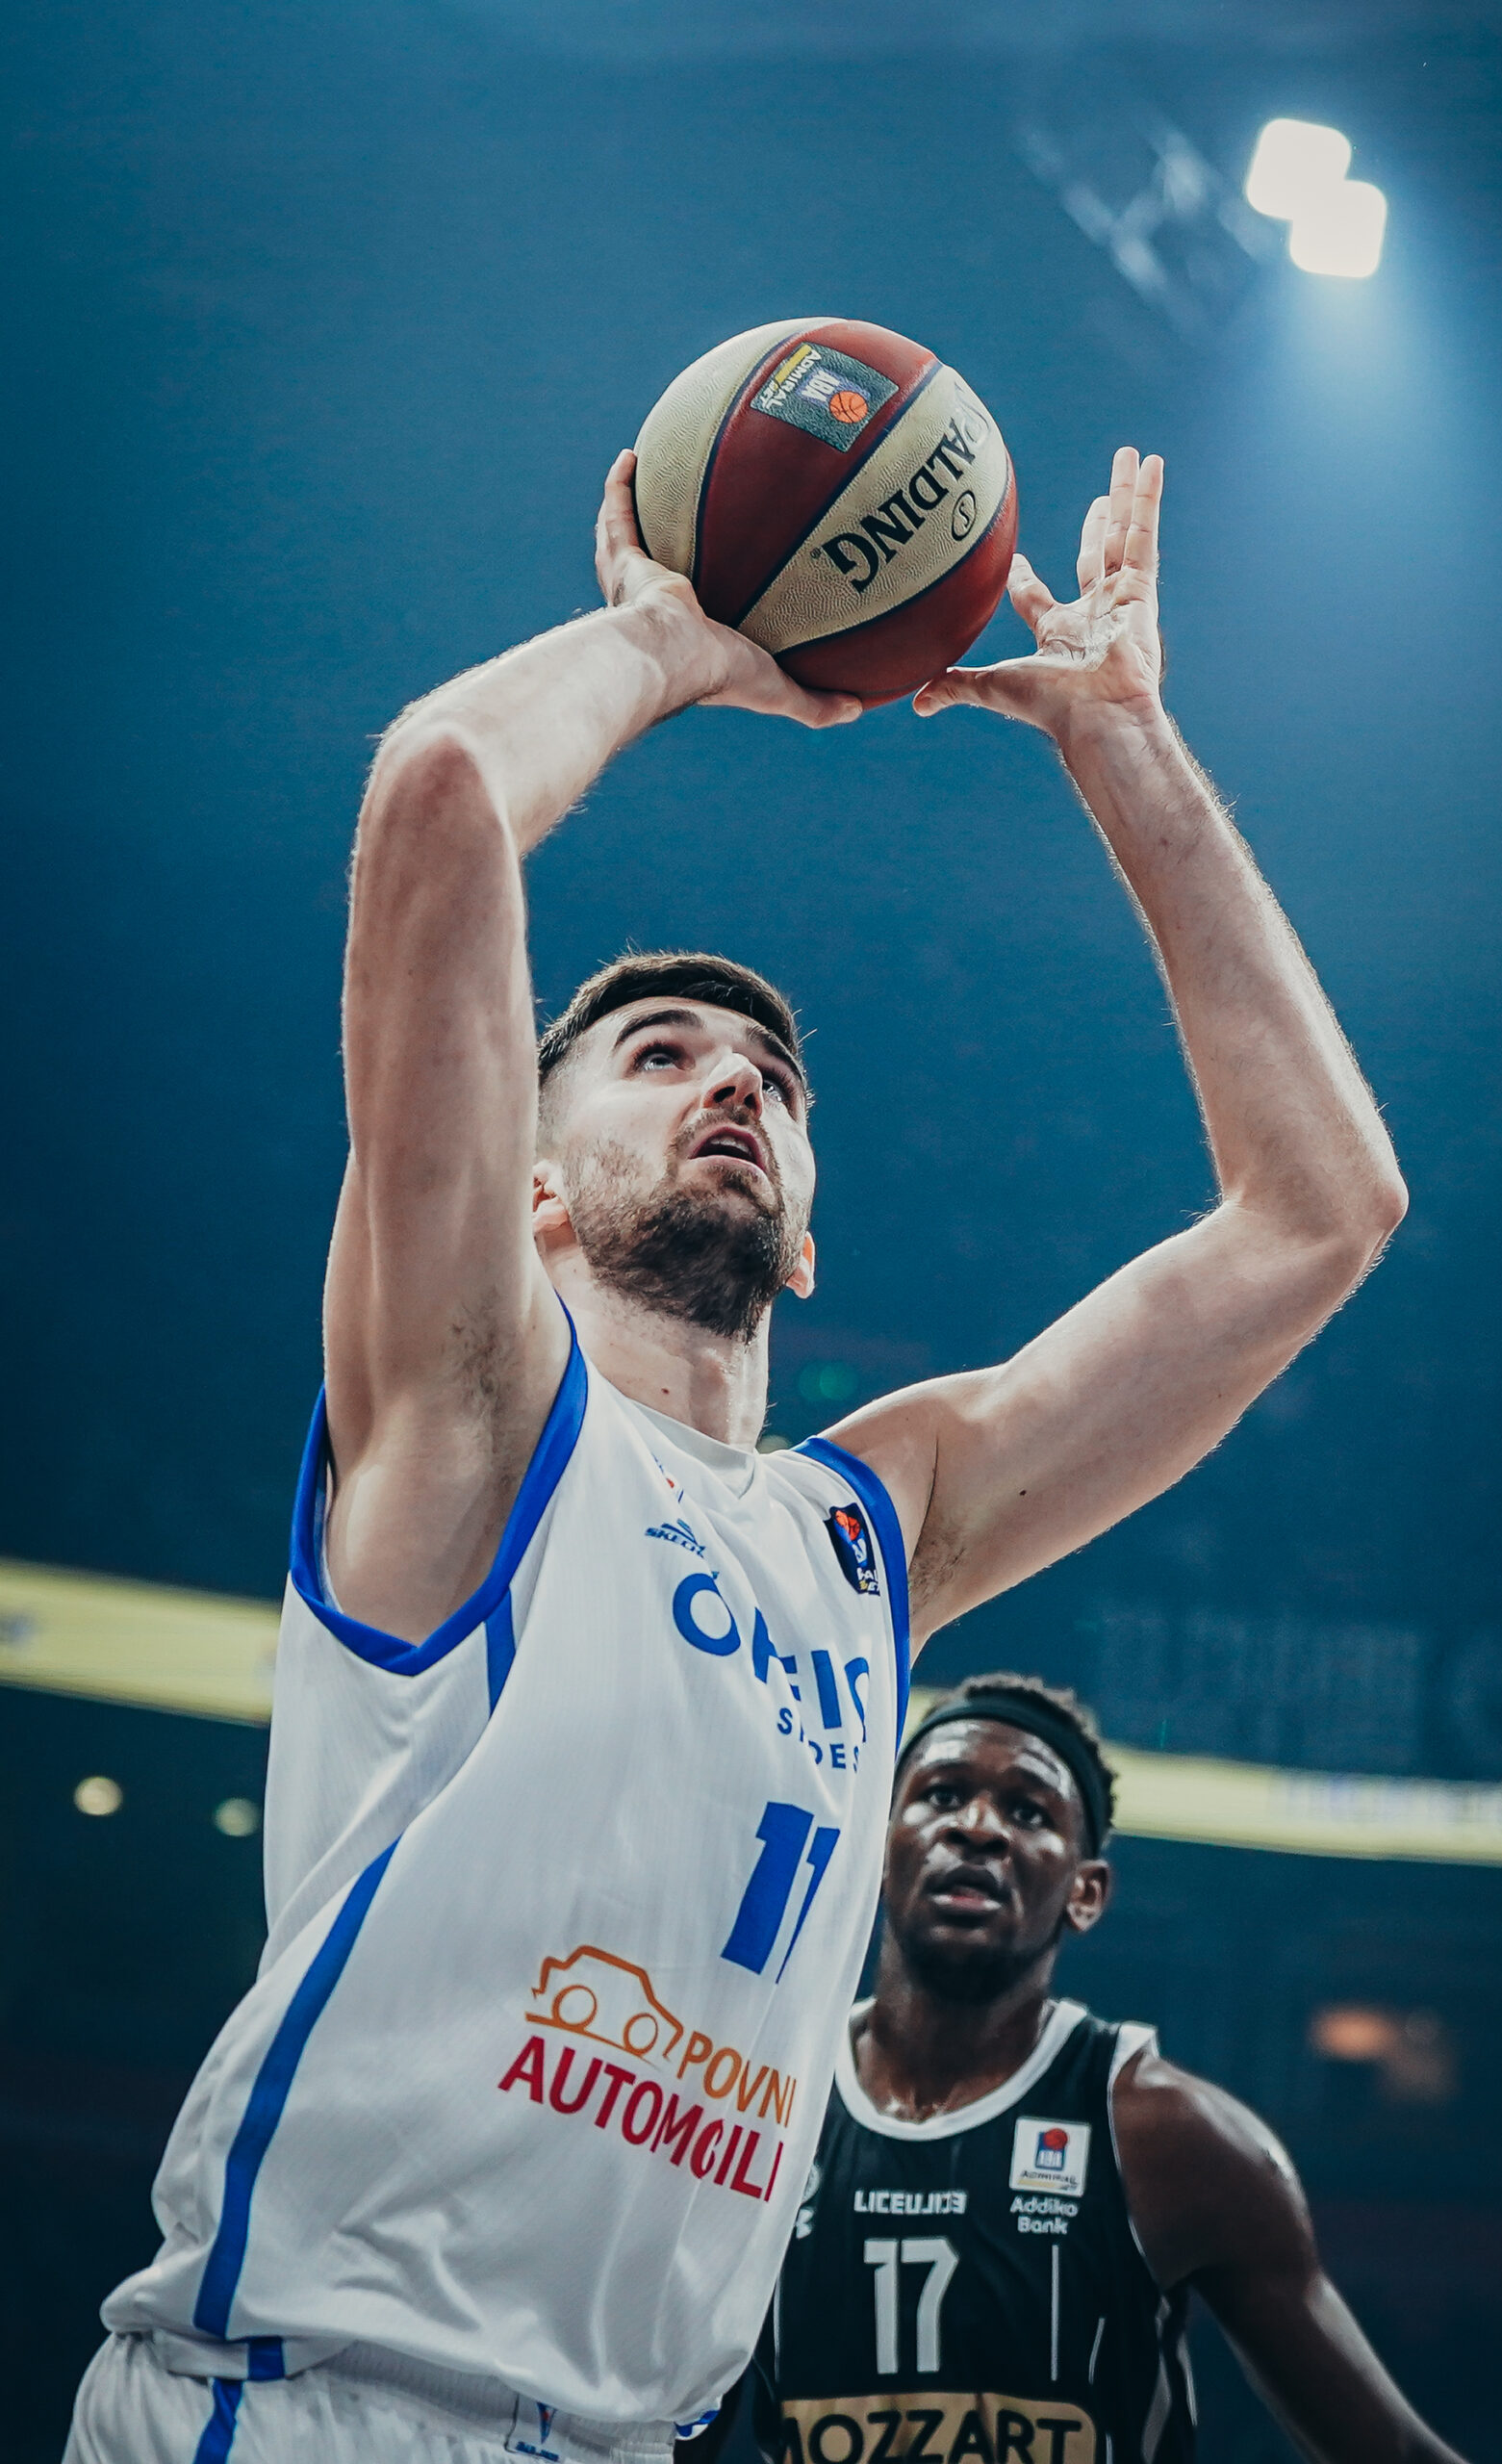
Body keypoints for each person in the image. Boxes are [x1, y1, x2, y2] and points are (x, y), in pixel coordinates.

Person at [68, 440, 1406, 2464]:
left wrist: (1118, 740)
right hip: (320, 2406)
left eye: (771, 1079)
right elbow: (441, 791)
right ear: (527, 1185)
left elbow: (1320, 1211)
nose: (733, 1086)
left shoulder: (873, 1526)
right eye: (660, 1056)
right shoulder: (469, 1407)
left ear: (804, 1228)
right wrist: (665, 641)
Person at [727, 1674, 1467, 2464]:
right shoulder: (764, 2103)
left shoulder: (1173, 2137)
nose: (976, 1828)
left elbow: (1393, 2453)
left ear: (1085, 1893)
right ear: (880, 1850)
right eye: (942, 1795)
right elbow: (666, 2429)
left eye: (1027, 1811)